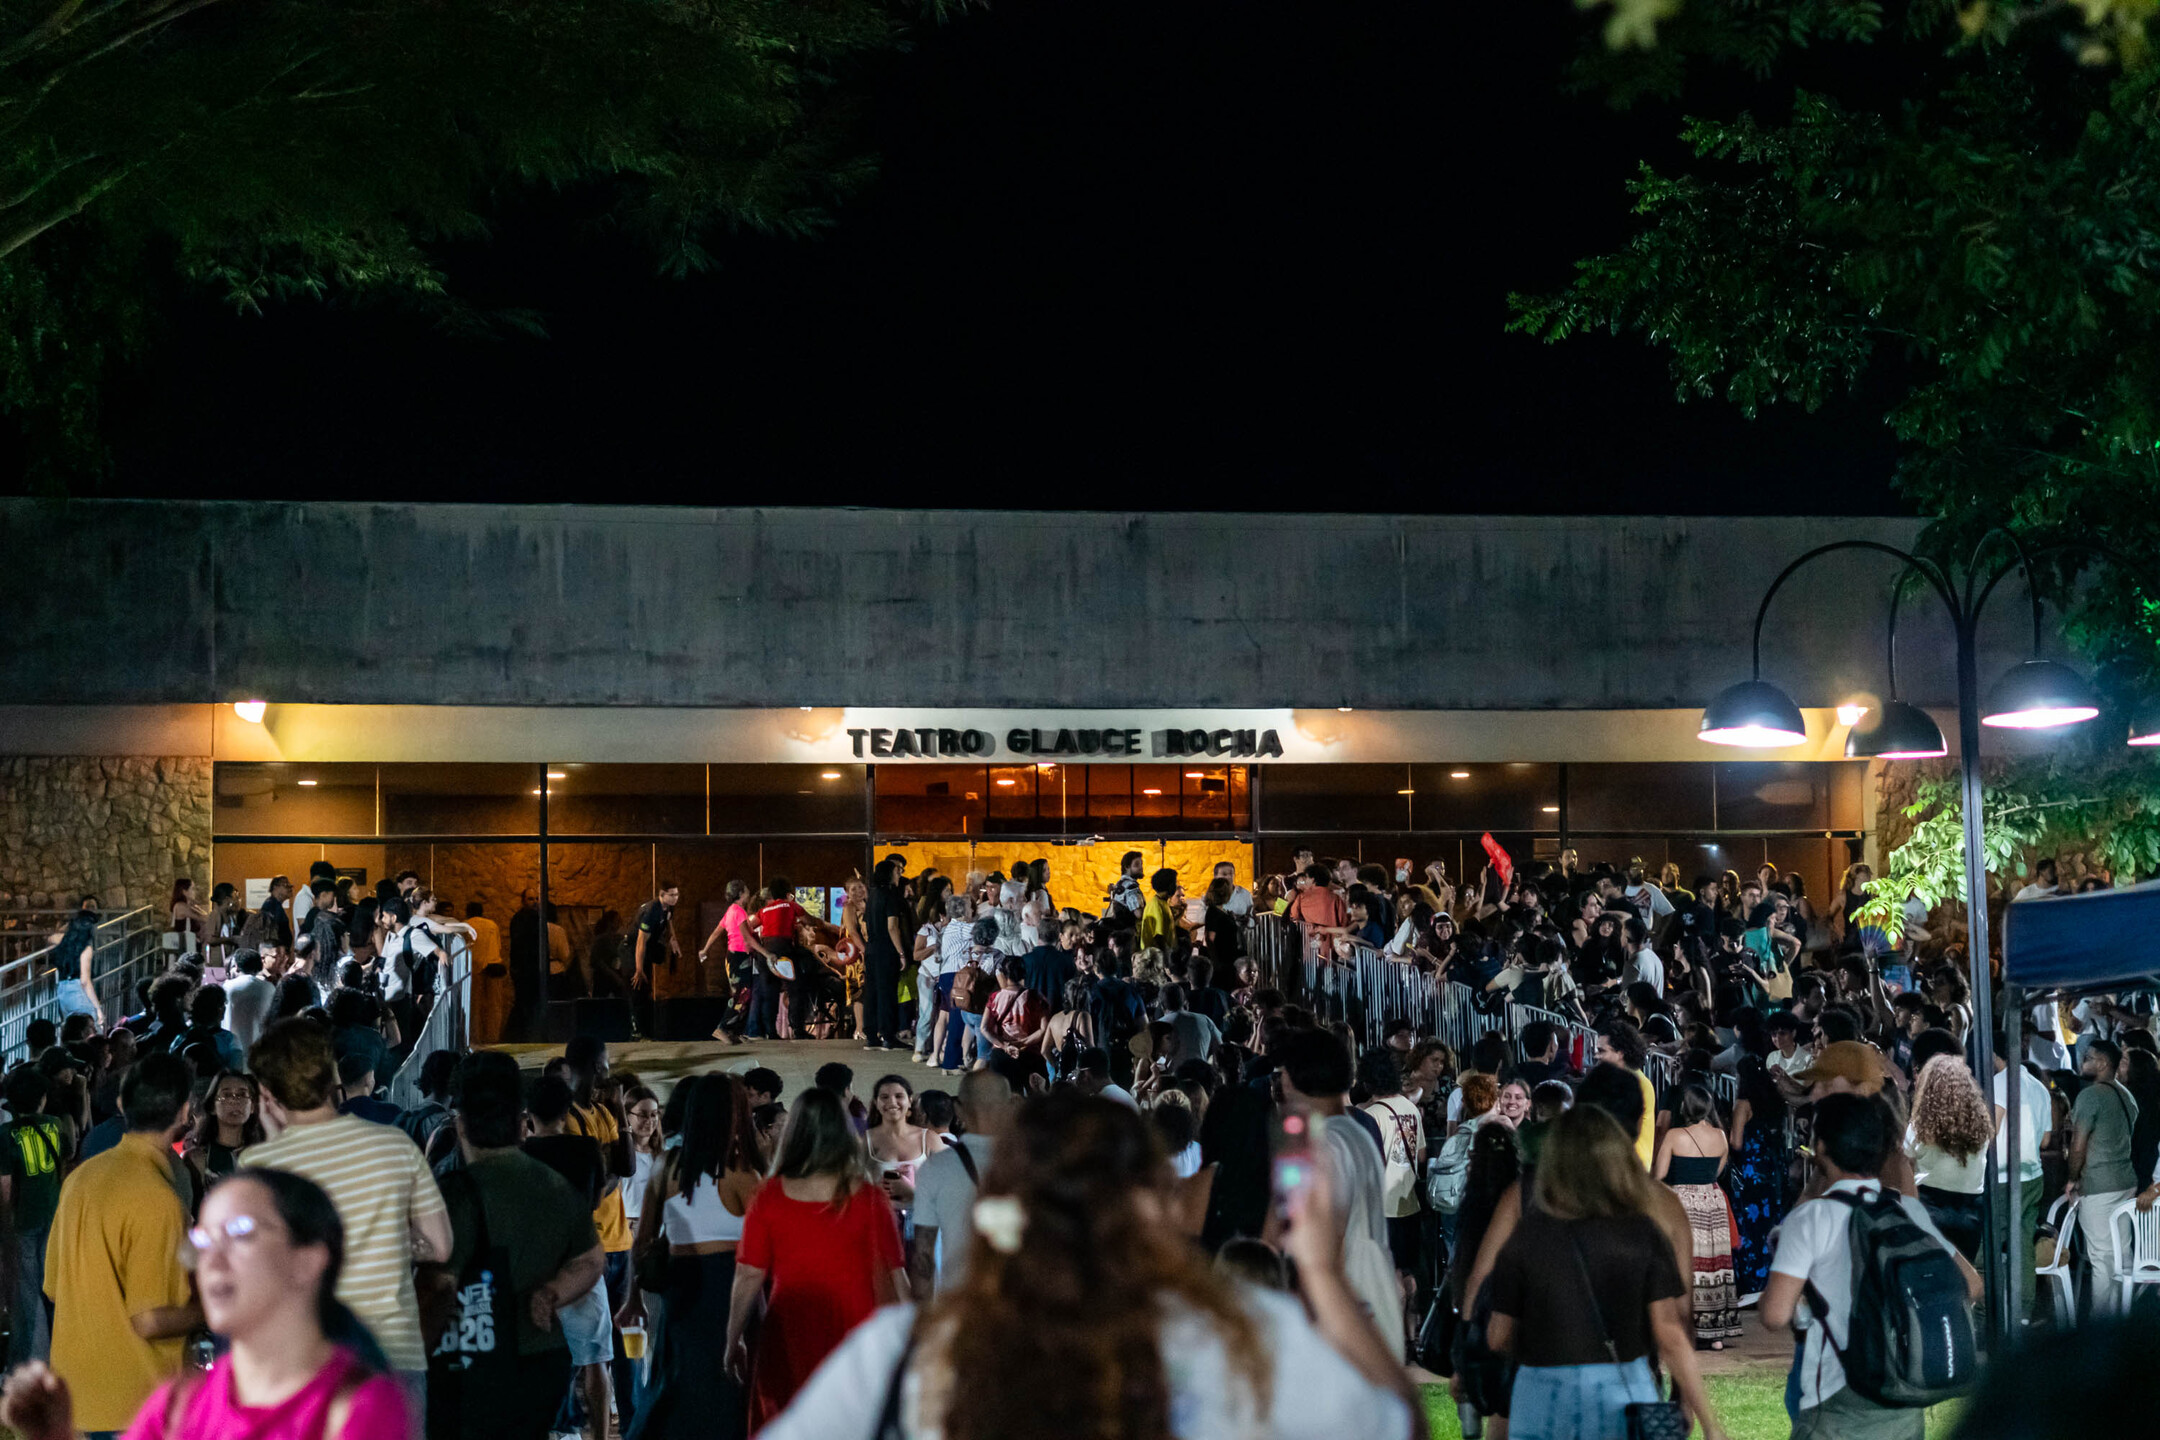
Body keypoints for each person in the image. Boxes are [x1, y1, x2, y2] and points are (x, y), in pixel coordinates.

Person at [759, 1091, 1417, 1440]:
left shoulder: (905, 1360)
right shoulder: (1245, 1338)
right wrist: (1321, 1271)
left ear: (1000, 1213)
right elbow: (1392, 1425)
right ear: (1154, 1207)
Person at [5, 1167, 413, 1440]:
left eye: (239, 1232)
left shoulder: (355, 1408)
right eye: (203, 1240)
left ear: (307, 1260)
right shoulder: (176, 1406)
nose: (212, 1260)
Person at [1488, 1105, 1727, 1440]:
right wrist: (1710, 1423)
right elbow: (1669, 1331)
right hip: (1622, 1390)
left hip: (1541, 1394)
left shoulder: (1528, 1236)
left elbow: (1498, 1336)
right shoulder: (1642, 1233)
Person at [239, 1019, 451, 1396]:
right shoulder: (394, 1145)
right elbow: (439, 1246)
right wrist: (395, 1240)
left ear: (266, 1093)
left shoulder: (257, 1166)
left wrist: (275, 1144)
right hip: (393, 1355)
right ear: (332, 1076)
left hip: (308, 1360)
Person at [1761, 1093, 1981, 1440]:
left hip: (1837, 1405)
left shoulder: (1811, 1219)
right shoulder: (1905, 1211)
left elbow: (1774, 1314)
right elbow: (1972, 1284)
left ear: (1820, 1147)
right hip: (1903, 1403)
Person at [434, 1051, 607, 1440]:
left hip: (470, 1364)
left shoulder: (453, 1195)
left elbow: (437, 1286)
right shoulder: (555, 1187)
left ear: (460, 1125)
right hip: (542, 1357)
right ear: (520, 1122)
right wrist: (551, 1292)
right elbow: (592, 1260)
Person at [723, 1088, 906, 1429]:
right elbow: (894, 1275)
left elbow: (749, 1275)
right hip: (856, 1328)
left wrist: (733, 1340)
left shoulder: (769, 1197)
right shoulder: (869, 1198)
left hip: (790, 1326)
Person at [42, 1052, 199, 1436]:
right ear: (185, 1111)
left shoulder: (82, 1177)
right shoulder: (159, 1200)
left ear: (120, 1105)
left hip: (80, 1393)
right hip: (136, 1401)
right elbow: (149, 1320)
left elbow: (53, 1286)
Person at [617, 1074, 763, 1440]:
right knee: (731, 1390)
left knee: (679, 1383)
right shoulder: (745, 1174)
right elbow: (766, 1250)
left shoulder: (667, 1165)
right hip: (732, 1286)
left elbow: (643, 1239)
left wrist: (633, 1298)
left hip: (681, 1288)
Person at [1273, 1027, 1402, 1360]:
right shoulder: (1357, 1135)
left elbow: (1306, 1238)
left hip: (1337, 1326)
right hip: (1371, 1309)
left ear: (1289, 1079)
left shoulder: (1319, 1145)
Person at [908, 1069, 1012, 1299]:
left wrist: (922, 1319)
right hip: (1016, 1304)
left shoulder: (935, 1168)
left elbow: (923, 1254)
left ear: (959, 1110)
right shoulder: (1034, 1165)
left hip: (958, 1301)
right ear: (1010, 1105)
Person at [1652, 1081, 1739, 1349]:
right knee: (1714, 1264)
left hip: (1684, 1202)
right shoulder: (1721, 1136)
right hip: (1713, 1201)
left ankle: (1685, 1326)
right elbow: (1718, 1172)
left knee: (1686, 1264)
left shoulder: (1675, 1136)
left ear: (1685, 1107)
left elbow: (1660, 1174)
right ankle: (1715, 1334)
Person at [2067, 1036, 2140, 1317]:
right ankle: (2124, 1319)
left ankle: (2102, 1332)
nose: (2082, 1061)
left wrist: (2073, 1178)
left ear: (2103, 1063)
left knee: (2100, 1258)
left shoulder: (2090, 1096)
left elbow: (2078, 1144)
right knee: (2122, 1255)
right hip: (2125, 1181)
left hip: (2098, 1185)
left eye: (2087, 1057)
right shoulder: (2126, 1096)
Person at [1, 1068, 67, 1366]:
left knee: (25, 1298)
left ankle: (21, 1367)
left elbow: (5, 1189)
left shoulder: (5, 1135)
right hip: (53, 1218)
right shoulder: (55, 1125)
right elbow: (63, 1167)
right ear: (42, 1099)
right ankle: (58, 1355)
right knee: (52, 1289)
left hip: (23, 1222)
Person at [1906, 1055, 1989, 1260]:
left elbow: (1905, 1165)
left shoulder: (1920, 1126)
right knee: (1962, 1281)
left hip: (1929, 1210)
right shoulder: (1981, 1128)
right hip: (1970, 1214)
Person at [865, 1073, 941, 1221]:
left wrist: (912, 1193)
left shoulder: (929, 1139)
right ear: (876, 1102)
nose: (892, 1102)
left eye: (899, 1096)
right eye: (884, 1097)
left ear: (910, 1100)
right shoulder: (864, 1142)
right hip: (880, 1225)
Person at [184, 1070, 265, 1183]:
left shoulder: (263, 1156)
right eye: (226, 1095)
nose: (234, 1100)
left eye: (242, 1095)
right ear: (212, 1107)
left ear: (252, 1107)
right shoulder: (198, 1159)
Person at [631, 883, 681, 1040]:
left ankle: (646, 1031)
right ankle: (636, 1032)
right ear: (662, 894)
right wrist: (639, 969)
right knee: (638, 987)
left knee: (646, 991)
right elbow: (640, 941)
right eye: (672, 895)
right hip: (632, 949)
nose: (675, 898)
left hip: (647, 949)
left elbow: (669, 921)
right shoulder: (651, 910)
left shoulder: (668, 907)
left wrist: (673, 940)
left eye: (677, 895)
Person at [49, 897, 105, 1028]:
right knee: (90, 1033)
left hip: (63, 991)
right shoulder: (86, 949)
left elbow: (51, 938)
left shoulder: (66, 944)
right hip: (78, 992)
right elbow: (85, 981)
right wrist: (98, 1008)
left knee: (71, 1032)